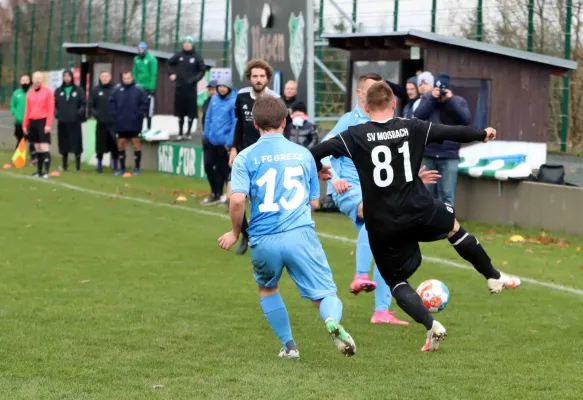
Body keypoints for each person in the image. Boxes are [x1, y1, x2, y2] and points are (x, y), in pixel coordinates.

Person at [310, 82, 520, 352]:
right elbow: (452, 132)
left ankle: (431, 325)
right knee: (454, 229)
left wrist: (320, 169)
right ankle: (492, 275)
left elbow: (313, 152)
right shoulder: (412, 126)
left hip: (382, 221)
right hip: (419, 209)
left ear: (365, 107)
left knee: (396, 280)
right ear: (394, 104)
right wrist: (482, 133)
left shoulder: (353, 135)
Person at [218, 95, 356, 359]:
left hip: (263, 239)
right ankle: (331, 321)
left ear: (256, 124)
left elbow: (236, 200)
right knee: (325, 294)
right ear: (285, 122)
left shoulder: (245, 157)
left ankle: (290, 346)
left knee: (268, 289)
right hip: (299, 235)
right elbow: (313, 203)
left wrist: (236, 233)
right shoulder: (304, 155)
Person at [322, 73, 438, 326]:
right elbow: (322, 149)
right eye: (370, 89)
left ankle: (381, 311)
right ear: (360, 94)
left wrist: (413, 177)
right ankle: (360, 274)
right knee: (374, 217)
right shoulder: (350, 121)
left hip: (377, 192)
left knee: (390, 245)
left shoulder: (387, 123)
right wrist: (334, 178)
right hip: (349, 190)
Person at [228, 58, 292, 255]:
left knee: (263, 197)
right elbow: (239, 124)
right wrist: (233, 148)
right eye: (255, 76)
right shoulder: (241, 96)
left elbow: (285, 126)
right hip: (245, 154)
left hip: (268, 156)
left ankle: (270, 235)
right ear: (249, 78)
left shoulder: (274, 99)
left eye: (262, 76)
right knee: (234, 196)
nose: (258, 79)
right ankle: (245, 234)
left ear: (268, 78)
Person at [415, 72, 472, 206]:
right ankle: (429, 225)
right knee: (427, 195)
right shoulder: (427, 99)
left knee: (447, 195)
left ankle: (448, 225)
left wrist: (450, 100)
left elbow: (466, 120)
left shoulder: (458, 101)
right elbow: (417, 116)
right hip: (428, 153)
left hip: (449, 155)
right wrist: (431, 99)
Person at [201, 79, 238, 205]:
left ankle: (222, 194)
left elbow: (235, 122)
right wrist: (206, 134)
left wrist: (229, 141)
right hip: (211, 140)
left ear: (229, 87)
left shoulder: (234, 101)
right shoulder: (214, 99)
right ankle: (214, 193)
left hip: (224, 143)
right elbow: (208, 117)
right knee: (208, 166)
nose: (222, 89)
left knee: (223, 169)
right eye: (220, 86)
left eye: (224, 86)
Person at [109, 71, 149, 177]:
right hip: (121, 122)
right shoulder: (117, 89)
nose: (127, 80)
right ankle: (122, 168)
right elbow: (111, 102)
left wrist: (138, 114)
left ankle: (137, 169)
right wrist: (115, 114)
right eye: (125, 78)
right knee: (120, 145)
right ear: (122, 78)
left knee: (136, 144)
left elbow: (145, 103)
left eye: (128, 78)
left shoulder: (139, 89)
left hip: (135, 122)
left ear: (132, 78)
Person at [168, 36, 207, 141]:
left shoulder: (197, 56)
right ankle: (180, 132)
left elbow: (202, 70)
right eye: (185, 43)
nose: (186, 45)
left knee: (190, 110)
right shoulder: (179, 55)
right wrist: (171, 73)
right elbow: (169, 63)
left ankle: (188, 132)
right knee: (180, 111)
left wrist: (194, 79)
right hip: (180, 87)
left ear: (192, 44)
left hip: (191, 88)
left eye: (189, 43)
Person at [23, 71, 55, 178]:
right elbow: (27, 110)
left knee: (44, 146)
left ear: (42, 80)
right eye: (35, 78)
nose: (37, 80)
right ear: (32, 79)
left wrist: (48, 124)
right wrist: (25, 124)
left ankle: (46, 171)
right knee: (36, 147)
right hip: (33, 122)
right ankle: (39, 171)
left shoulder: (48, 92)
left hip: (43, 121)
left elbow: (51, 109)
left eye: (39, 78)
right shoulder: (29, 93)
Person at [54, 69, 86, 171]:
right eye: (65, 76)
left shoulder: (78, 90)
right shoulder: (58, 91)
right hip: (62, 122)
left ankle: (77, 167)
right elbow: (54, 105)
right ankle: (64, 165)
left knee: (76, 143)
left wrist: (78, 113)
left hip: (74, 122)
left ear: (72, 77)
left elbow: (83, 104)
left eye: (68, 76)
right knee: (63, 144)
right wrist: (57, 113)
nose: (67, 78)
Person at [89, 70, 118, 173]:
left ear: (110, 77)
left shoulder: (115, 89)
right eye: (102, 76)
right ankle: (99, 167)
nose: (104, 78)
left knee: (115, 146)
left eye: (106, 76)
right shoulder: (95, 90)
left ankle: (115, 167)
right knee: (100, 146)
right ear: (100, 78)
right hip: (101, 123)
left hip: (113, 123)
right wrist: (96, 115)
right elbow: (91, 105)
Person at [133, 41, 158, 131]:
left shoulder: (152, 59)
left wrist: (151, 87)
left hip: (148, 88)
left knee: (149, 110)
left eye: (142, 49)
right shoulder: (136, 59)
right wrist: (135, 84)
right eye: (139, 49)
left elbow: (153, 74)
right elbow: (134, 72)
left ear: (146, 49)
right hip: (138, 87)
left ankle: (149, 128)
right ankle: (138, 129)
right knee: (138, 110)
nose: (141, 51)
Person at [10, 74, 36, 162]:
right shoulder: (16, 93)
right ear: (20, 82)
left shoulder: (33, 92)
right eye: (23, 80)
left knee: (32, 141)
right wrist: (16, 114)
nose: (25, 82)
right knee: (21, 141)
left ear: (30, 81)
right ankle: (18, 159)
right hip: (19, 122)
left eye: (26, 80)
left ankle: (34, 159)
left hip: (31, 122)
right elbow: (12, 106)